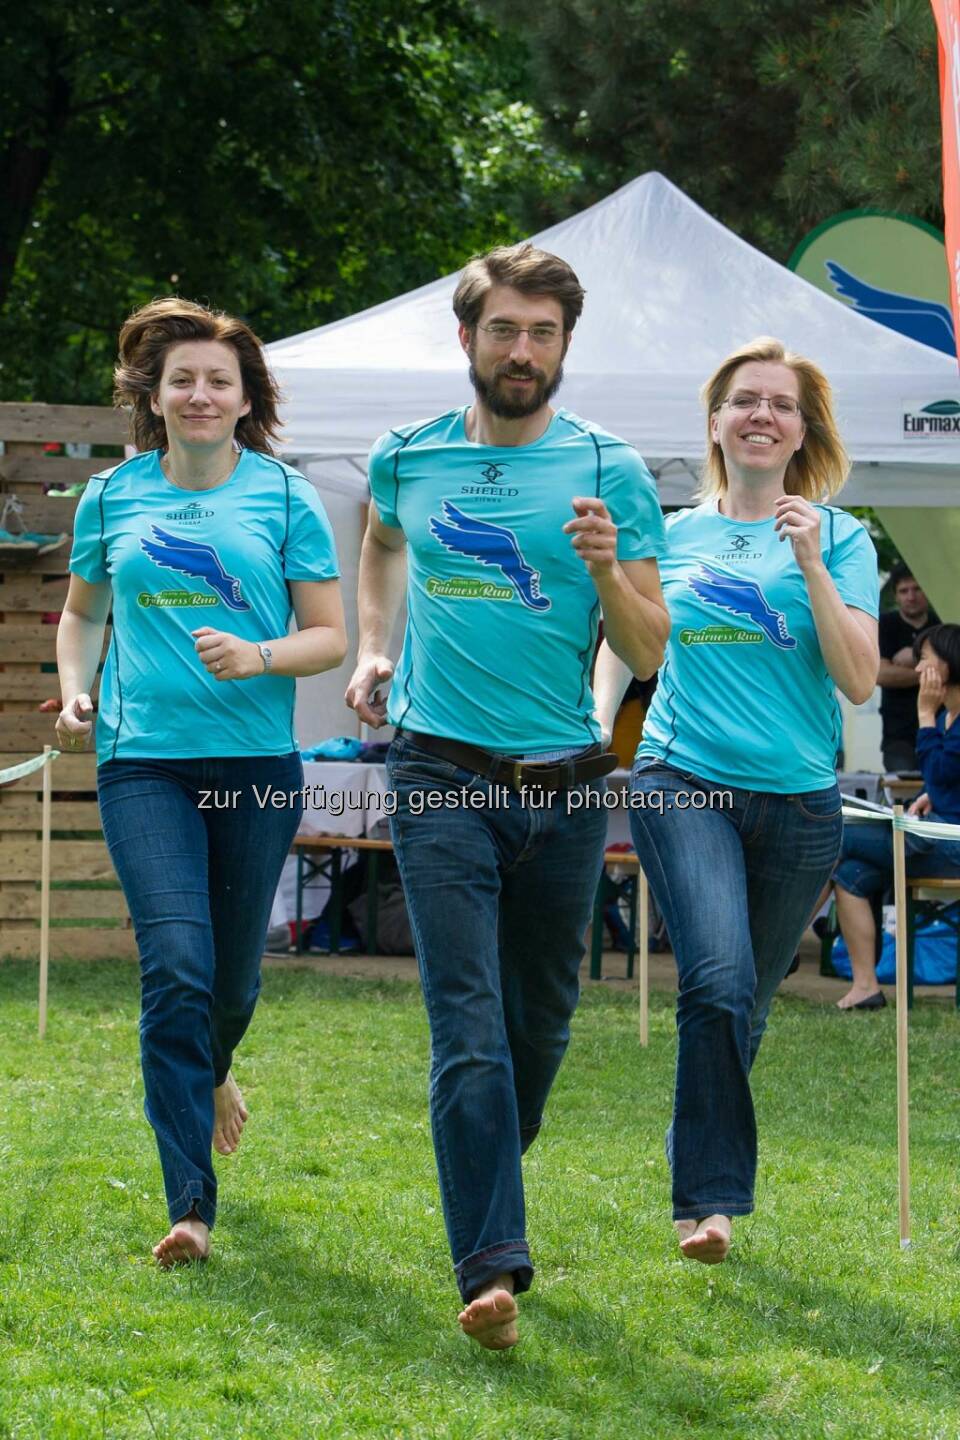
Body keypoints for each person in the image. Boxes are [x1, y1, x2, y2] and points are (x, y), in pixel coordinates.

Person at [345, 242, 668, 1348]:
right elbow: (381, 548)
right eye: (503, 330)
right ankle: (490, 1267)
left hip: (569, 784)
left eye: (541, 333)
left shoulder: (609, 469)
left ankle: (486, 1161)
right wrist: (374, 648)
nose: (521, 350)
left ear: (565, 346)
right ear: (468, 339)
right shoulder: (407, 457)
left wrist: (604, 570)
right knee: (468, 1023)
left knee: (540, 1020)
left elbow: (649, 644)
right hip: (437, 770)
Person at [56, 298, 346, 1267]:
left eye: (219, 379)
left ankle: (214, 1065)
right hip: (143, 763)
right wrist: (73, 691)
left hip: (256, 764)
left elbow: (330, 637)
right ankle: (190, 1203)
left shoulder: (285, 497)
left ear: (245, 396)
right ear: (154, 392)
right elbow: (81, 617)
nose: (199, 393)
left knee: (232, 977)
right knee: (175, 961)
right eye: (182, 378)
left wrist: (260, 655)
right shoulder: (111, 498)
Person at [595, 336, 879, 1265]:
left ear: (803, 431)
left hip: (798, 805)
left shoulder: (841, 538)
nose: (763, 415)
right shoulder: (672, 535)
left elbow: (860, 681)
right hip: (683, 782)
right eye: (744, 400)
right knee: (715, 981)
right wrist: (602, 732)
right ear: (715, 423)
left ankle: (696, 1161)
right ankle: (708, 1205)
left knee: (744, 1001)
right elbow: (624, 642)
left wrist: (810, 565)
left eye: (782, 405)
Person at [835, 622, 960, 1009]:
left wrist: (924, 715)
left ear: (950, 664)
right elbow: (945, 779)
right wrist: (927, 795)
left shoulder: (939, 716)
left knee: (832, 835)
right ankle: (866, 987)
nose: (919, 669)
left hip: (951, 843)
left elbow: (942, 769)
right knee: (848, 873)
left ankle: (775, 945)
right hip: (934, 831)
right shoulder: (948, 715)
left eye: (925, 660)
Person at [878, 564, 939, 772]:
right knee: (901, 800)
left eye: (917, 589)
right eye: (904, 591)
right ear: (896, 596)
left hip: (941, 730)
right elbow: (880, 674)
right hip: (898, 735)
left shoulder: (941, 623)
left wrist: (913, 655)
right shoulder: (885, 624)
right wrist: (934, 668)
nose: (911, 596)